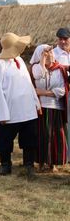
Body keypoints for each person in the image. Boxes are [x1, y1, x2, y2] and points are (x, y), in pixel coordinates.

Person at [0, 32, 40, 176]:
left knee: (30, 138)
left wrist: (36, 103)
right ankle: (5, 165)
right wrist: (1, 114)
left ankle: (28, 165)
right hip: (10, 111)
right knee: (5, 140)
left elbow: (28, 83)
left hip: (27, 108)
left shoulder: (19, 60)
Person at [30, 44, 68, 172]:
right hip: (40, 107)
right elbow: (38, 75)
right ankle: (41, 162)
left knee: (56, 135)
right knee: (42, 135)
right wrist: (42, 60)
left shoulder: (59, 69)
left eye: (51, 53)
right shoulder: (36, 68)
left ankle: (54, 164)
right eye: (46, 53)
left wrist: (44, 92)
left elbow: (62, 90)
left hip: (56, 107)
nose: (50, 55)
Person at [53, 27, 70, 162]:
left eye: (65, 39)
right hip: (61, 94)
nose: (63, 41)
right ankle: (64, 155)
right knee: (63, 125)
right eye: (60, 39)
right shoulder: (53, 54)